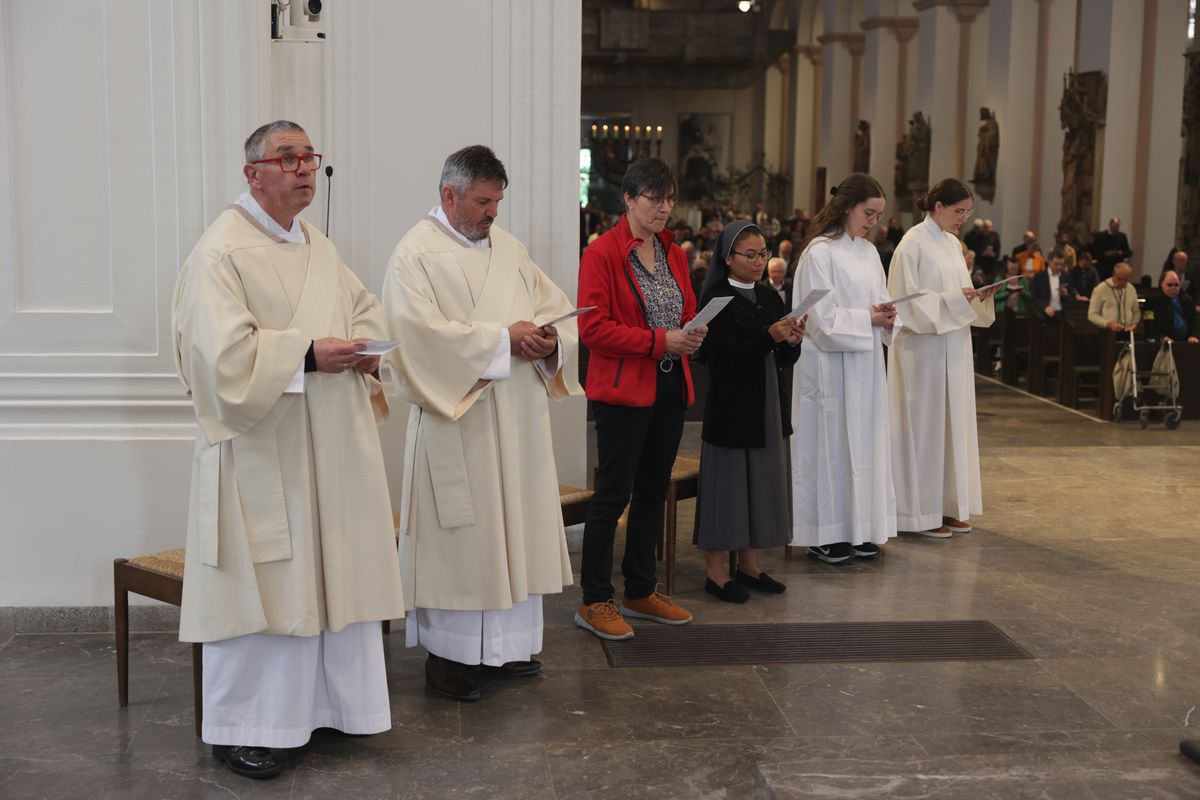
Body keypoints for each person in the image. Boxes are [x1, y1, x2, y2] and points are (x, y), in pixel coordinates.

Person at [171, 120, 405, 779]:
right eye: (287, 158)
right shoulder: (221, 251)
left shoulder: (315, 244)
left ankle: (328, 709)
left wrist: (365, 350)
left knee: (328, 575)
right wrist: (305, 354)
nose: (303, 168)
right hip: (262, 450)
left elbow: (364, 309)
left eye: (308, 157)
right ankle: (247, 726)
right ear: (253, 174)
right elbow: (217, 358)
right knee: (265, 587)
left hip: (328, 447)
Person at [381, 145, 577, 702]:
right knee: (463, 544)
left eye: (497, 202)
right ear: (450, 195)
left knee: (513, 530)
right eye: (482, 202)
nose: (492, 213)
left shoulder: (510, 249)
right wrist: (500, 342)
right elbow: (413, 339)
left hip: (517, 419)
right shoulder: (414, 254)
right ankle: (451, 659)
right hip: (459, 421)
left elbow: (554, 310)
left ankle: (507, 648)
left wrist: (548, 341)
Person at [576, 158, 707, 641]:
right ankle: (594, 599)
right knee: (613, 495)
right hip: (623, 390)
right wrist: (659, 341)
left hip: (670, 385)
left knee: (654, 491)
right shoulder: (602, 253)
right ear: (628, 199)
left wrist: (692, 331)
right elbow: (593, 328)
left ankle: (639, 589)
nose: (664, 208)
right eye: (654, 198)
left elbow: (686, 307)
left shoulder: (673, 252)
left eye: (670, 198)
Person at [690, 222, 804, 599]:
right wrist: (768, 337)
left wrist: (792, 342)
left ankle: (749, 566)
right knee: (729, 489)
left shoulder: (770, 297)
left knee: (757, 486)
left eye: (763, 254)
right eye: (750, 255)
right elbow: (723, 364)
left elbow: (781, 359)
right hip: (732, 407)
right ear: (728, 258)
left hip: (767, 403)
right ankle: (716, 572)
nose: (759, 262)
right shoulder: (716, 301)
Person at [791, 174, 897, 564]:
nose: (874, 222)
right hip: (829, 367)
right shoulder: (819, 254)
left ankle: (860, 528)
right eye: (868, 213)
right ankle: (824, 534)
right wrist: (868, 318)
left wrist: (888, 315)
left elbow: (881, 300)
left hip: (865, 369)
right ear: (847, 206)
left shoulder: (869, 253)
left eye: (878, 215)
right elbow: (819, 319)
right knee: (829, 448)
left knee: (863, 447)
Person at [887, 178, 1001, 538]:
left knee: (953, 425)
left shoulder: (953, 244)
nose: (964, 218)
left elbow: (955, 294)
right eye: (959, 211)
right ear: (938, 206)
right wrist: (956, 298)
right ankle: (920, 512)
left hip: (953, 343)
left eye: (968, 212)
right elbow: (905, 303)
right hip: (923, 349)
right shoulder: (912, 244)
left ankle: (949, 505)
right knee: (926, 428)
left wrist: (977, 296)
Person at [1143, 270, 1200, 343]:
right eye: (1169, 285)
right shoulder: (1151, 301)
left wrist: (1193, 335)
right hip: (1161, 342)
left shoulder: (1188, 300)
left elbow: (1195, 321)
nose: (1173, 288)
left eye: (1176, 285)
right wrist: (1161, 337)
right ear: (1162, 284)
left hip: (1186, 342)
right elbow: (1149, 323)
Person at [1087, 262, 1141, 332]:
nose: (1123, 282)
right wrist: (1108, 324)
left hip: (1127, 331)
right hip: (1107, 332)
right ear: (1114, 275)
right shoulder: (1100, 289)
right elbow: (1092, 315)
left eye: (1126, 280)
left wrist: (1134, 324)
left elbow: (1136, 311)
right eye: (1120, 279)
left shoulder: (1131, 289)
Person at [1031, 252, 1071, 320]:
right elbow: (1034, 297)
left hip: (1061, 314)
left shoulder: (1065, 276)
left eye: (1061, 264)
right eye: (1056, 264)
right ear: (1049, 262)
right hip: (1043, 314)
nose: (1058, 267)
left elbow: (1070, 294)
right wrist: (1045, 307)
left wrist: (1065, 294)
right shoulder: (1039, 276)